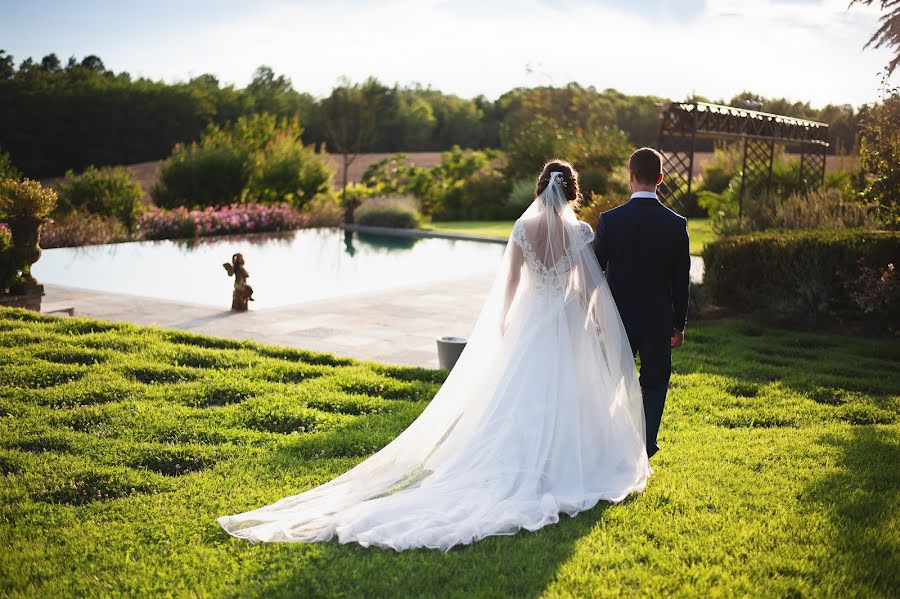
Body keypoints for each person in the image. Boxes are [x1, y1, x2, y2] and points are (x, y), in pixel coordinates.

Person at [218, 159, 650, 552]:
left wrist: (504, 325)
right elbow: (592, 291)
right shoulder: (581, 234)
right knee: (570, 393)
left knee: (524, 395)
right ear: (572, 193)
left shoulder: (523, 230)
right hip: (568, 325)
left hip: (532, 325)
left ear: (540, 189)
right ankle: (565, 462)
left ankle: (525, 463)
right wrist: (593, 324)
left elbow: (509, 288)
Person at [592, 147, 691, 458]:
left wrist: (594, 313)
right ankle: (645, 444)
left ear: (630, 177)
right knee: (655, 381)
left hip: (617, 319)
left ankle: (612, 441)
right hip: (658, 319)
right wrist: (679, 323)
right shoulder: (676, 224)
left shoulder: (610, 220)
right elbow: (681, 280)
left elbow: (594, 270)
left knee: (615, 380)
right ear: (661, 178)